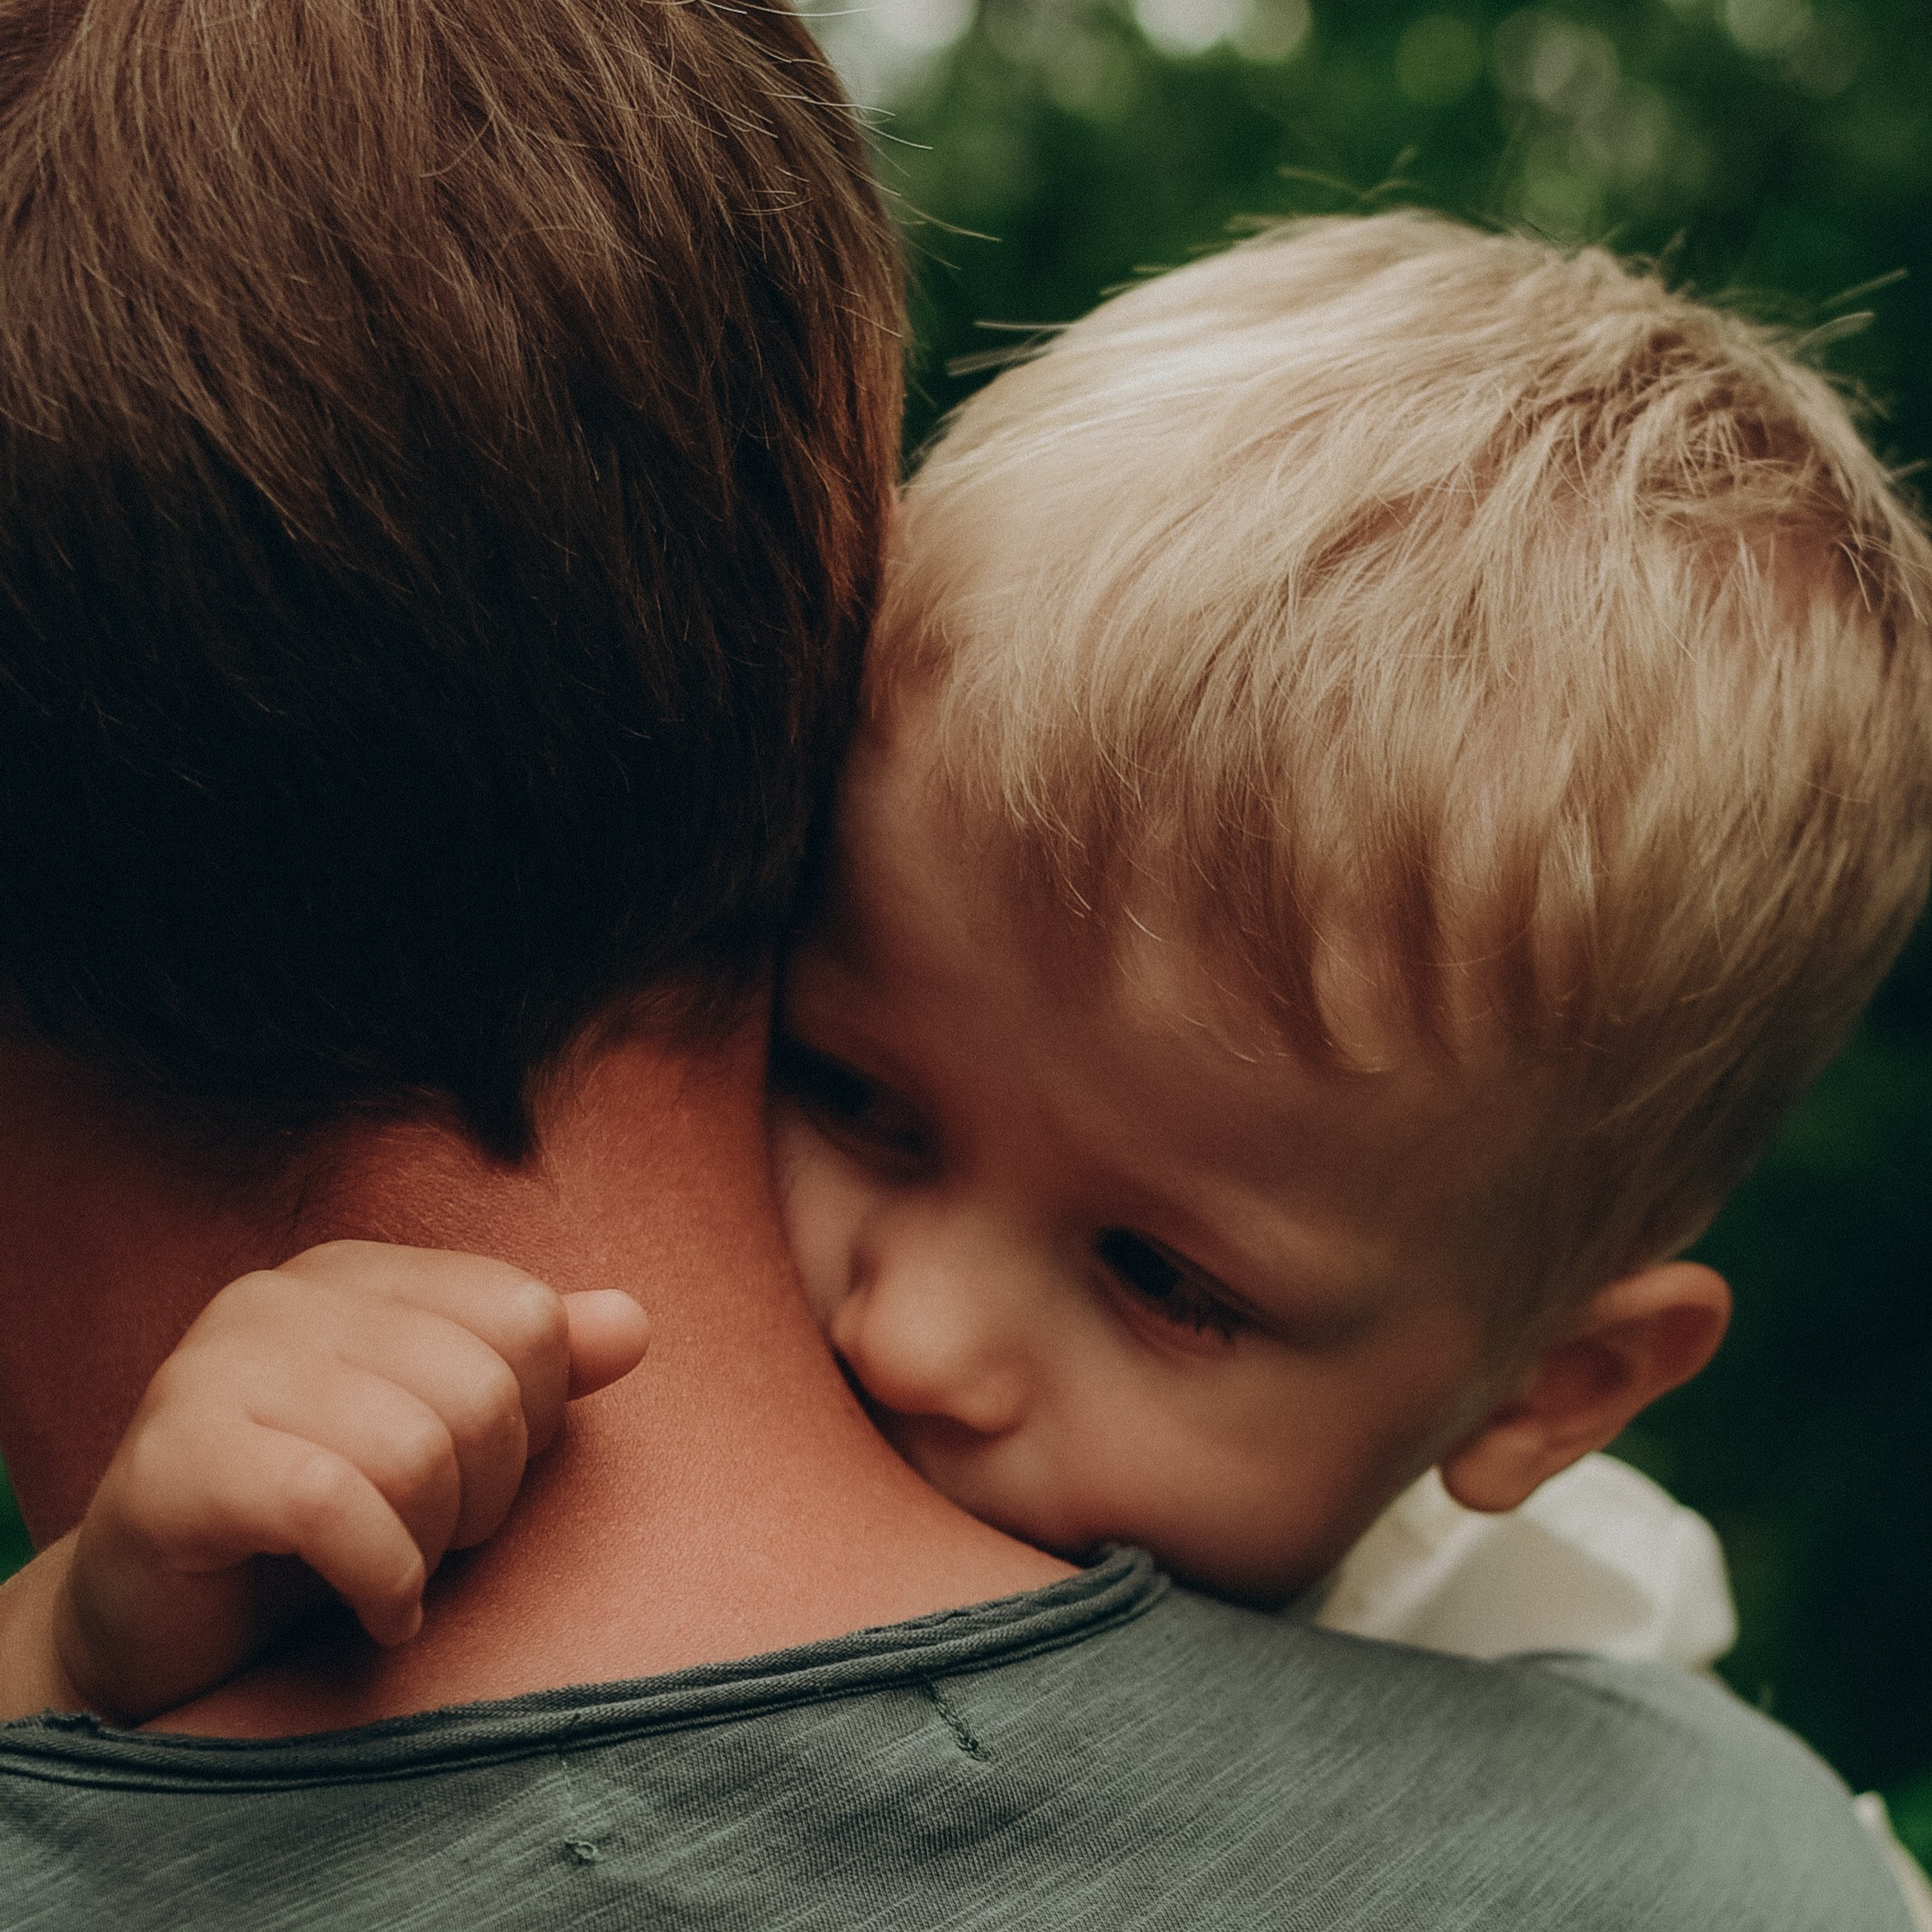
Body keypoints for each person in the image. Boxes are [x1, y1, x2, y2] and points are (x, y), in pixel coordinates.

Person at [0, 0, 1915, 1912]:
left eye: (1161, 1277)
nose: (909, 1330)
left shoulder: (1623, 1731)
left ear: (1550, 1391)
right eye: (851, 1091)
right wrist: (74, 1644)